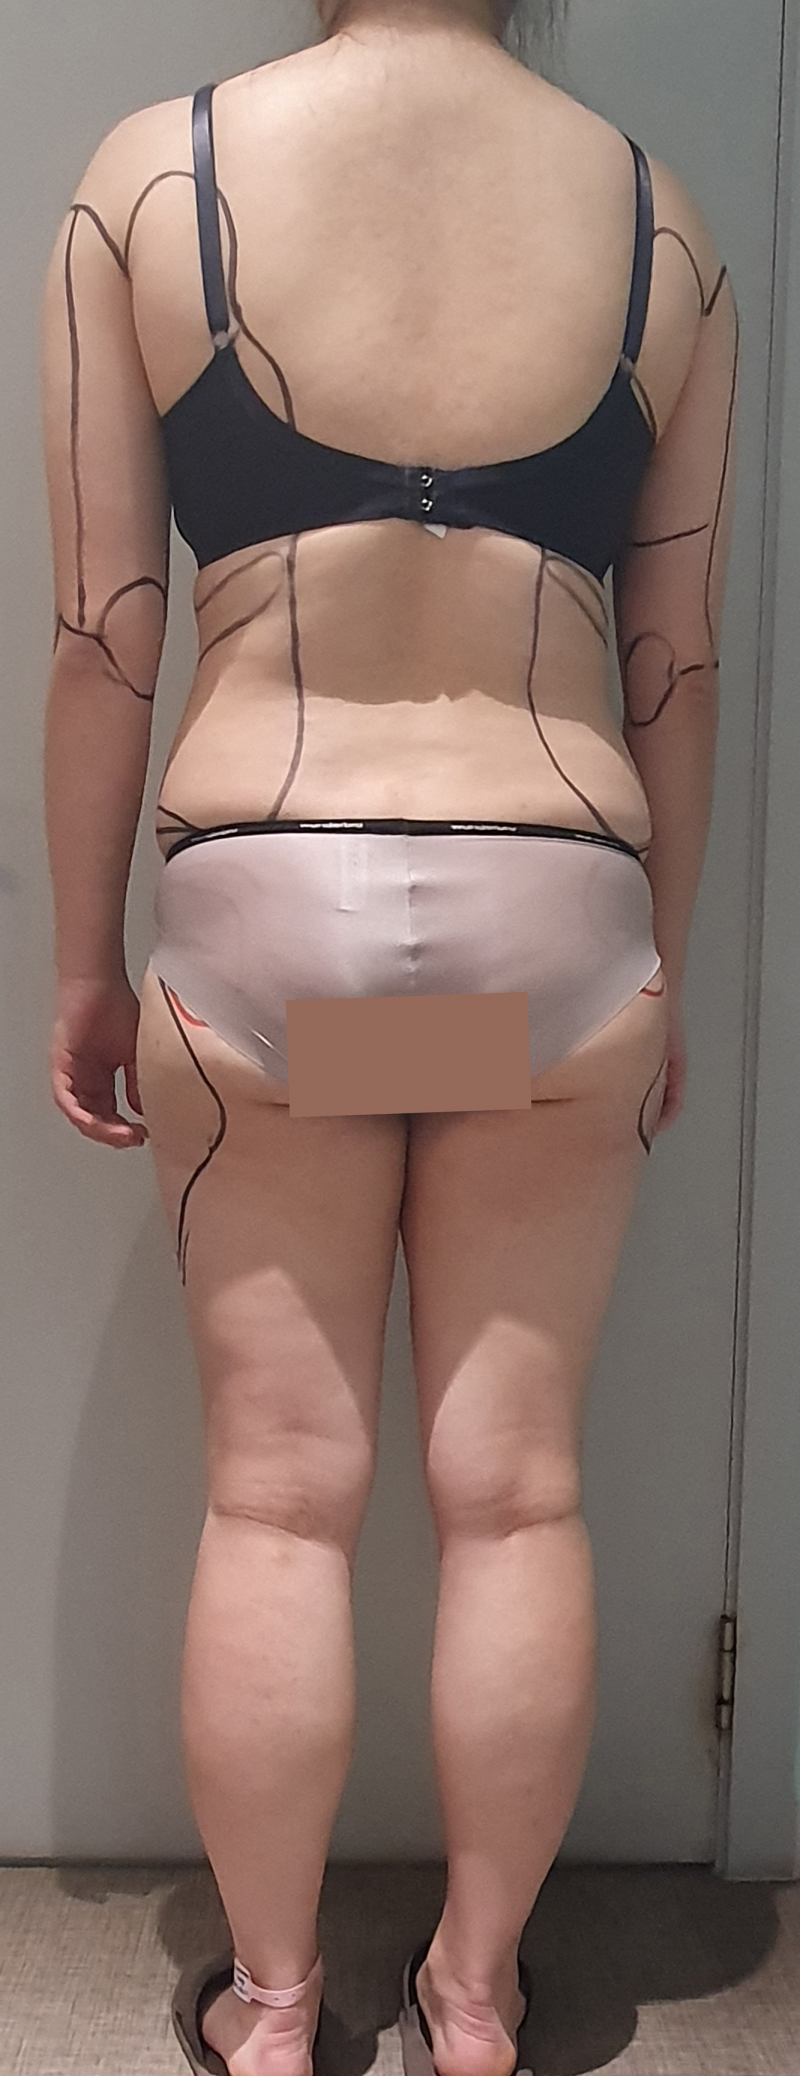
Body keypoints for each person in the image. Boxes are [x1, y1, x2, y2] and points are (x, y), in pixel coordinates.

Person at [41, 1, 739, 2073]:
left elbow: (103, 641)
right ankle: (475, 1998)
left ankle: (271, 2016)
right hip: (548, 924)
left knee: (278, 1497)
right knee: (514, 1495)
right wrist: (659, 966)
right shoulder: (660, 221)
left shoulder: (149, 179)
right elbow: (675, 664)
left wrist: (83, 966)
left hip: (277, 917)